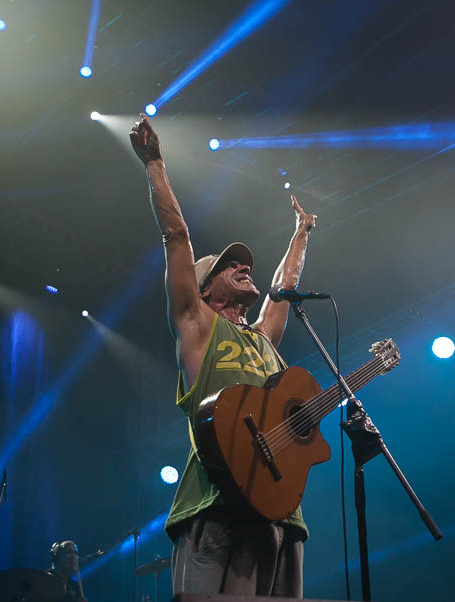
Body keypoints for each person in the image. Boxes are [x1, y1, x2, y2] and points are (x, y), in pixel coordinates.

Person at [130, 114, 315, 598]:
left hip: (280, 509)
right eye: (229, 266)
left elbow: (285, 288)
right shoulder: (198, 326)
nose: (243, 267)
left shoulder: (262, 341)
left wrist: (301, 233)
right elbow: (177, 237)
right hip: (216, 504)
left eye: (246, 265)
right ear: (204, 287)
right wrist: (155, 164)